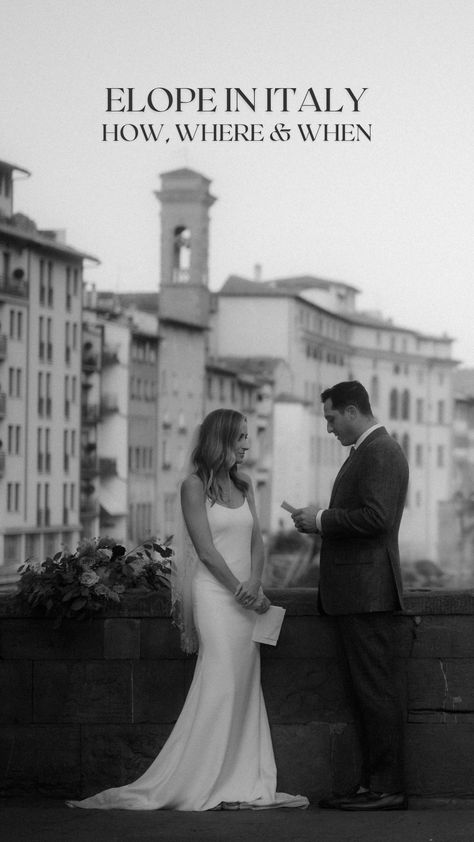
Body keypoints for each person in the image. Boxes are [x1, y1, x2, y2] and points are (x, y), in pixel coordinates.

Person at [67, 408, 308, 811]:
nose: (249, 445)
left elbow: (257, 543)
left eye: (248, 437)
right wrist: (238, 590)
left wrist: (254, 585)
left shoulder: (246, 485)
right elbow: (206, 551)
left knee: (244, 686)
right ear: (222, 440)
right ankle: (198, 778)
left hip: (245, 598)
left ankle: (240, 777)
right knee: (221, 681)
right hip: (215, 598)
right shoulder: (193, 487)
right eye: (242, 437)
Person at [292, 381, 408, 812]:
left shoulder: (380, 451)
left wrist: (321, 519)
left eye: (331, 418)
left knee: (375, 693)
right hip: (360, 593)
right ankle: (373, 785)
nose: (329, 428)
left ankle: (387, 788)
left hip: (367, 593)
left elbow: (377, 518)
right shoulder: (370, 451)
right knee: (368, 694)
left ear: (354, 411)